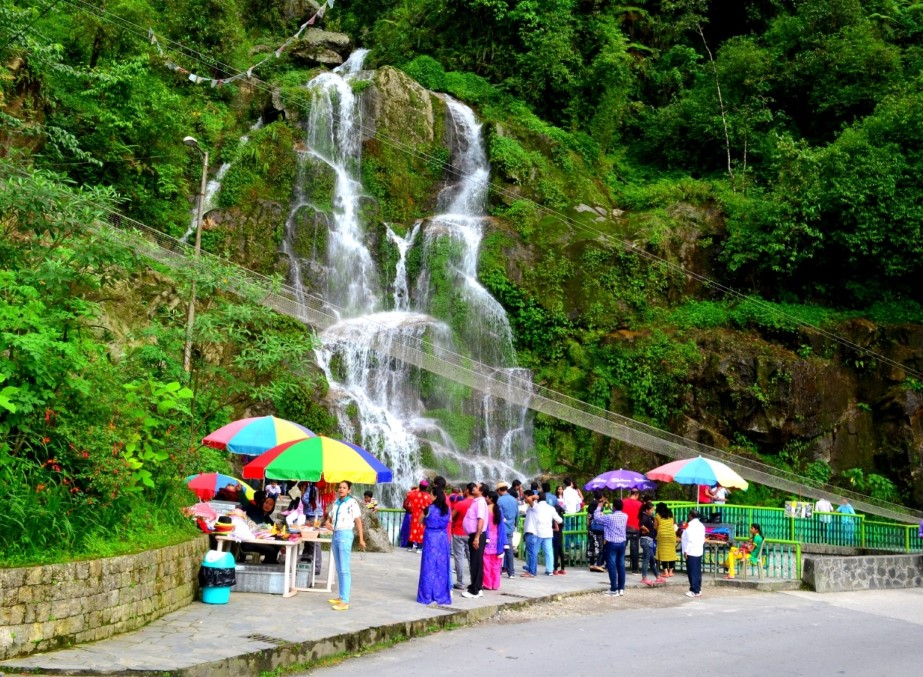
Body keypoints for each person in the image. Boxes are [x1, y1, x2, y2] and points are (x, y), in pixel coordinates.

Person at [325, 480, 366, 611]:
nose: (341, 489)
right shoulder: (336, 503)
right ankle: (341, 596)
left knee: (344, 568)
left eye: (344, 488)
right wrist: (327, 522)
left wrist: (361, 539)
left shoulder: (352, 503)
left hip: (345, 534)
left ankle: (345, 601)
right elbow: (330, 518)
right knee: (339, 567)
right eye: (340, 487)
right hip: (336, 534)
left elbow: (358, 521)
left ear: (349, 490)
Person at [417, 488, 452, 605]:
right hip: (443, 537)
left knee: (428, 565)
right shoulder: (446, 509)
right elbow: (449, 520)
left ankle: (426, 595)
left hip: (431, 537)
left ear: (436, 496)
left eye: (431, 495)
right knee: (442, 565)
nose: (430, 497)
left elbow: (419, 520)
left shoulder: (428, 509)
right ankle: (440, 593)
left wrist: (427, 523)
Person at [594, 498, 628, 595]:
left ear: (614, 507)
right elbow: (615, 513)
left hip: (612, 543)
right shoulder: (625, 516)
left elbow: (596, 518)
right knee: (621, 565)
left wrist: (599, 507)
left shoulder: (609, 517)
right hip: (622, 543)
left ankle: (614, 588)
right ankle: (621, 588)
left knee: (612, 566)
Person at [462, 482, 488, 598]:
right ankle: (478, 586)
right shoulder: (477, 501)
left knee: (475, 562)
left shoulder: (481, 502)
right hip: (475, 535)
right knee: (475, 561)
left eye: (476, 487)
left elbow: (481, 520)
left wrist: (477, 537)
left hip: (477, 535)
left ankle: (475, 590)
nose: (474, 488)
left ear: (481, 491)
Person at [482, 491, 508, 590]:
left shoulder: (486, 509)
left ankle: (487, 583)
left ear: (490, 498)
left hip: (488, 539)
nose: (486, 498)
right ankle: (495, 584)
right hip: (498, 540)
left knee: (486, 563)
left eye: (487, 497)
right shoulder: (499, 510)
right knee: (496, 564)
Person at [534, 492, 562, 576]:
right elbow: (560, 520)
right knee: (549, 552)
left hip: (537, 532)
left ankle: (532, 568)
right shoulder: (551, 508)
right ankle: (549, 570)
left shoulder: (535, 507)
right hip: (548, 532)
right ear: (545, 498)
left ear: (538, 498)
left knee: (534, 551)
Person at [451, 485, 473, 590]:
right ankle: (474, 581)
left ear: (467, 491)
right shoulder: (477, 504)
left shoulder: (460, 503)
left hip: (458, 532)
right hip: (471, 534)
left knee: (459, 558)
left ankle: (460, 582)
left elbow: (451, 517)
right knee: (471, 558)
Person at [496, 481, 519, 579]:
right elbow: (517, 515)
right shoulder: (514, 500)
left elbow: (497, 515)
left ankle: (497, 570)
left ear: (500, 490)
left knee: (498, 550)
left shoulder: (499, 501)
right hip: (510, 528)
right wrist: (515, 525)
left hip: (500, 529)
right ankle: (511, 572)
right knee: (509, 551)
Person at [682, 509, 705, 598]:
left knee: (692, 571)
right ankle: (698, 589)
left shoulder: (690, 526)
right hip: (698, 550)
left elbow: (690, 540)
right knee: (697, 571)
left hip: (691, 551)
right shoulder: (701, 525)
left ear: (690, 516)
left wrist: (686, 550)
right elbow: (702, 539)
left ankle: (694, 590)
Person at [639, 502, 664, 586]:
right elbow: (641, 525)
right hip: (645, 540)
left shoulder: (649, 517)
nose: (652, 511)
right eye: (651, 510)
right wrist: (647, 530)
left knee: (652, 560)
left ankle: (657, 576)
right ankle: (644, 577)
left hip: (649, 540)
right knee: (646, 559)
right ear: (647, 510)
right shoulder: (644, 517)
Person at [404, 481, 432, 552]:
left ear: (419, 486)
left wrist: (415, 490)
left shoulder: (414, 494)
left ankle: (410, 546)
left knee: (413, 529)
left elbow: (407, 494)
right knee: (421, 530)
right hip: (423, 515)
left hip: (415, 514)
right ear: (426, 488)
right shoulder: (428, 496)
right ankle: (419, 548)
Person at [622, 488, 643, 574]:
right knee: (634, 549)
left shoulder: (623, 502)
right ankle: (635, 569)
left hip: (625, 527)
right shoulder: (640, 504)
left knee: (622, 548)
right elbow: (641, 516)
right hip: (635, 528)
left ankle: (619, 566)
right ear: (637, 495)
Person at [586, 491, 607, 573]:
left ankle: (591, 564)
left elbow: (588, 517)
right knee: (599, 546)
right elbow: (600, 516)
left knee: (592, 546)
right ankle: (598, 564)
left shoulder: (591, 504)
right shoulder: (598, 505)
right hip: (597, 529)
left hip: (591, 529)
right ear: (601, 498)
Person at [520, 490, 540, 577]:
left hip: (532, 533)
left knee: (532, 553)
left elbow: (534, 498)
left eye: (525, 497)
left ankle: (532, 572)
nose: (524, 499)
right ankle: (531, 570)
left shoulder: (534, 505)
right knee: (531, 553)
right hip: (529, 533)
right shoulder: (531, 507)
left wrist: (530, 497)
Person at [655, 502, 677, 578]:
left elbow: (655, 527)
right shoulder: (671, 514)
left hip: (662, 535)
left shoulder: (657, 515)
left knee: (663, 553)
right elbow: (673, 524)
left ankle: (665, 572)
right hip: (671, 534)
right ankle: (671, 572)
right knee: (672, 553)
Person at [552, 504, 566, 575]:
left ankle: (555, 569)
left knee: (556, 553)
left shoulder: (555, 518)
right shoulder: (561, 517)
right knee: (561, 553)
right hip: (560, 536)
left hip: (555, 537)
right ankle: (563, 569)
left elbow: (556, 529)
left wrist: (550, 529)